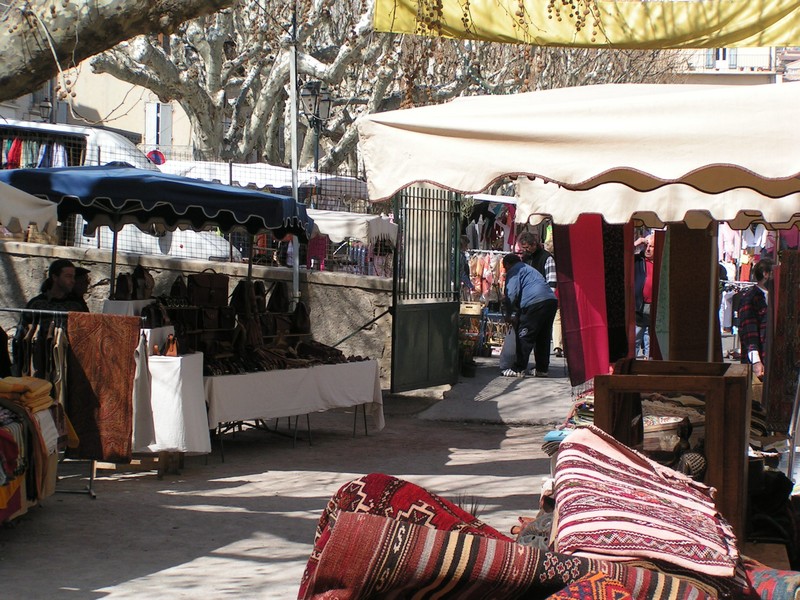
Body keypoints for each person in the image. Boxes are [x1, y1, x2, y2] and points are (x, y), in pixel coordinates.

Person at [501, 253, 558, 378]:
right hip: (550, 302)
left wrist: (508, 314)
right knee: (543, 336)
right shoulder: (528, 269)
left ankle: (518, 368)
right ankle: (542, 369)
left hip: (535, 303)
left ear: (507, 265)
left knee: (525, 335)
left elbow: (511, 294)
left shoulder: (515, 270)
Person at [517, 230, 560, 356]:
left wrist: (545, 301)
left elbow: (552, 282)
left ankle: (540, 366)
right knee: (532, 334)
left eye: (526, 247)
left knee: (541, 336)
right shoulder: (526, 258)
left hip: (543, 302)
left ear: (534, 244)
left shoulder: (547, 258)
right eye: (523, 248)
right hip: (529, 302)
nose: (525, 250)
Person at [739, 258, 774, 381]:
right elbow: (749, 333)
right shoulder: (750, 298)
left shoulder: (774, 297)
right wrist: (756, 361)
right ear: (765, 274)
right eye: (773, 273)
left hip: (771, 358)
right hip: (759, 360)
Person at [633, 235, 654, 359]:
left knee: (651, 339)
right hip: (639, 305)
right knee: (636, 337)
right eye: (646, 246)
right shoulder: (638, 260)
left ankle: (649, 364)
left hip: (655, 306)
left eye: (651, 246)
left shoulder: (662, 261)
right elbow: (622, 255)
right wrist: (636, 243)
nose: (647, 249)